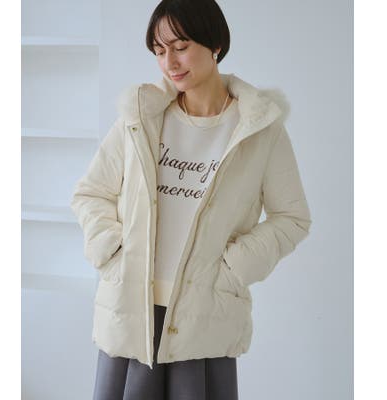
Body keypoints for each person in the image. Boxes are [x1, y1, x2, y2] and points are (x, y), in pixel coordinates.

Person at [70, 0, 312, 399]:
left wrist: (233, 268)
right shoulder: (141, 117)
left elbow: (292, 217)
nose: (169, 62)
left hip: (204, 315)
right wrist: (113, 251)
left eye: (180, 46)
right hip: (132, 310)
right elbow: (90, 192)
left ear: (215, 44)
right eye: (159, 51)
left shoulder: (259, 129)